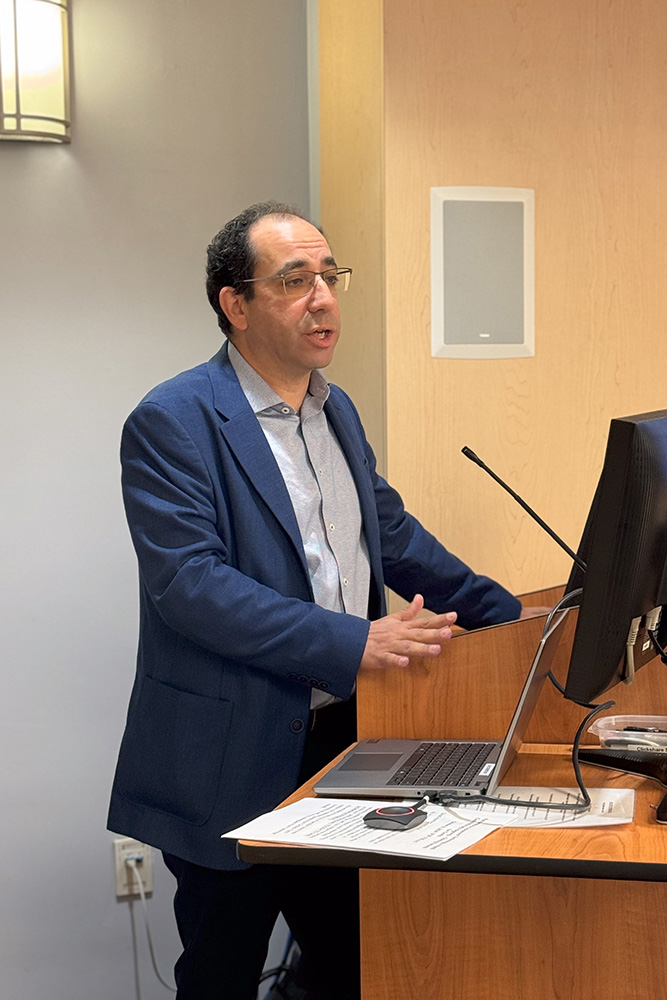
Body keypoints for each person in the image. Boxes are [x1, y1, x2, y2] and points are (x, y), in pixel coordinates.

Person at [107, 201, 523, 999]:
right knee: (222, 975)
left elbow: (394, 540)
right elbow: (189, 584)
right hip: (232, 749)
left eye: (329, 276)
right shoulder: (173, 421)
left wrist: (519, 620)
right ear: (236, 303)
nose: (323, 298)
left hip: (345, 745)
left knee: (350, 965)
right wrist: (352, 640)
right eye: (295, 281)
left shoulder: (336, 409)